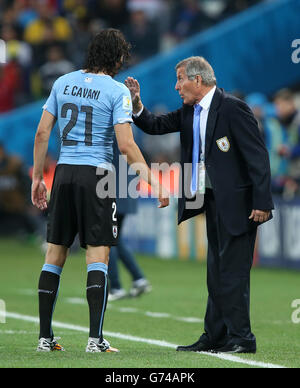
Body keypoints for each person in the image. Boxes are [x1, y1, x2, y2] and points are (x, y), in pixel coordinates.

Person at [31, 28, 169, 354]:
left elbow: (41, 134)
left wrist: (38, 178)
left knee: (55, 254)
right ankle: (95, 340)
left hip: (63, 173)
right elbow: (126, 145)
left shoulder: (62, 82)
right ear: (118, 58)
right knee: (99, 254)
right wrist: (153, 180)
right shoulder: (116, 90)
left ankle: (45, 337)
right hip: (98, 176)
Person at [125, 56, 274, 354]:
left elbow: (258, 157)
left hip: (240, 204)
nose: (176, 86)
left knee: (233, 272)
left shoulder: (233, 108)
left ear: (197, 80)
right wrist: (137, 104)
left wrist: (262, 201)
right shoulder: (189, 111)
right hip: (211, 200)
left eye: (180, 79)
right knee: (216, 271)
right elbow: (154, 125)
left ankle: (242, 338)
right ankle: (215, 336)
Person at [108, 140, 152, 301]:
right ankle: (139, 278)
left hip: (111, 192)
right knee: (115, 238)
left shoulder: (109, 132)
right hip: (128, 193)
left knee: (108, 239)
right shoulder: (129, 133)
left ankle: (115, 286)